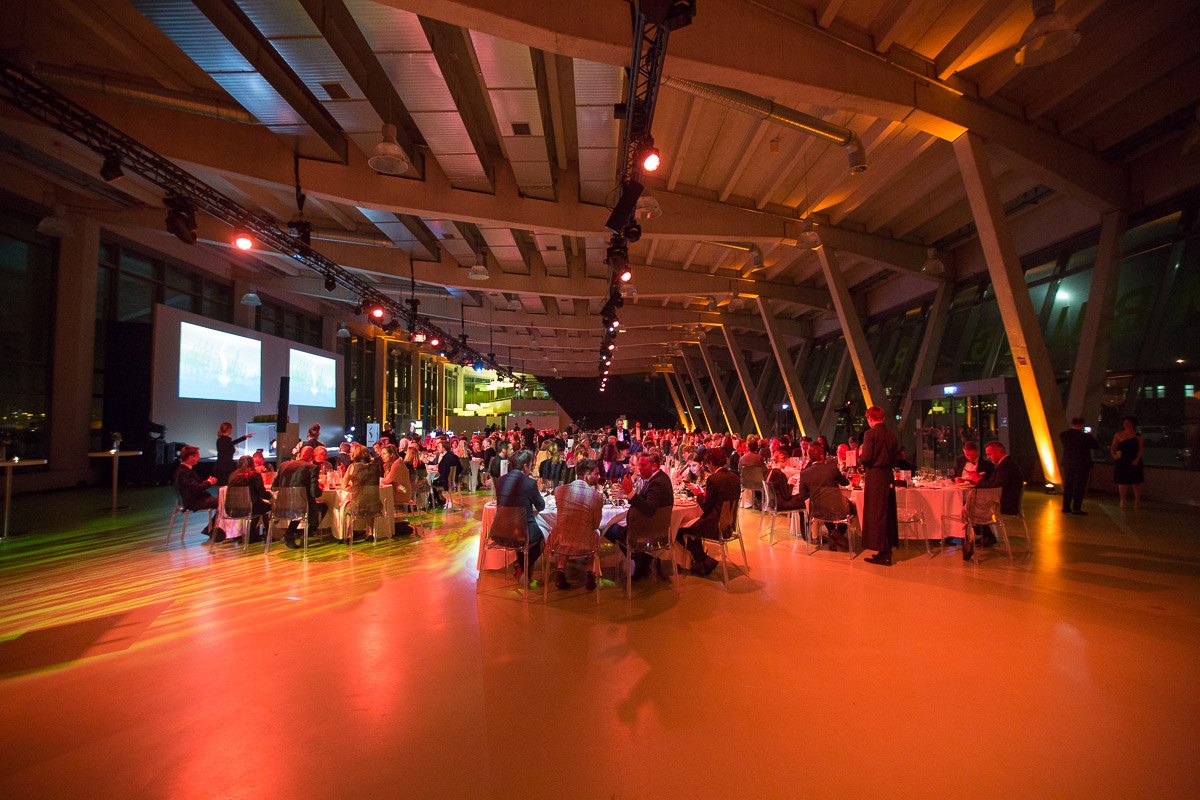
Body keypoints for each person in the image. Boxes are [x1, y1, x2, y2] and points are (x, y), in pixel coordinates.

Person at [605, 449, 674, 580]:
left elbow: (649, 509)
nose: (639, 469)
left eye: (643, 465)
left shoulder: (657, 483)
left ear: (654, 466)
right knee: (616, 525)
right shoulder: (658, 478)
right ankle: (643, 559)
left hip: (648, 532)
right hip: (652, 528)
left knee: (609, 528)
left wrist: (630, 492)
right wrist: (629, 494)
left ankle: (640, 558)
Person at [676, 447, 740, 576]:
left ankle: (703, 559)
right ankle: (701, 562)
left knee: (680, 530)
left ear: (710, 463)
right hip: (729, 525)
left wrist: (698, 493)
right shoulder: (735, 477)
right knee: (694, 526)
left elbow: (706, 506)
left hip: (715, 526)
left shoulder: (714, 479)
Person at [547, 458, 604, 591]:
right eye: (596, 473)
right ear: (587, 475)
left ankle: (560, 571)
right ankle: (590, 574)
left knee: (566, 530)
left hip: (560, 541)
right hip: (585, 542)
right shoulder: (596, 496)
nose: (599, 476)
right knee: (595, 532)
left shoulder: (559, 491)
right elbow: (596, 524)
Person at [493, 449, 545, 585]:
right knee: (541, 538)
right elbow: (541, 506)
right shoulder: (529, 483)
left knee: (523, 536)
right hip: (522, 532)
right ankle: (524, 569)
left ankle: (520, 567)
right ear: (525, 466)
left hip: (500, 530)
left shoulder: (500, 480)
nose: (532, 468)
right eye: (531, 465)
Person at [792, 442, 852, 551]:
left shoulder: (804, 473)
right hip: (835, 508)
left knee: (824, 507)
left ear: (810, 457)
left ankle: (833, 534)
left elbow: (802, 495)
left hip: (816, 510)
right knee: (852, 508)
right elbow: (845, 483)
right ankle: (837, 533)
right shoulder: (832, 469)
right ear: (822, 456)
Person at [859, 405, 899, 566]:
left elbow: (867, 458)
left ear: (870, 418)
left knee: (876, 514)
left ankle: (883, 551)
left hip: (875, 477)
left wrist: (861, 454)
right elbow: (895, 459)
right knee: (887, 513)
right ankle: (886, 551)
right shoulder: (891, 435)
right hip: (888, 476)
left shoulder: (870, 434)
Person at [275, 445, 325, 549]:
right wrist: (321, 489)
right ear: (312, 457)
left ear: (299, 454)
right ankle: (304, 534)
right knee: (323, 507)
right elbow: (314, 493)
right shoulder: (312, 468)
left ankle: (292, 533)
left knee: (301, 507)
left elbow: (274, 487)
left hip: (281, 504)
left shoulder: (283, 465)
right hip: (300, 506)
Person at [174, 445, 219, 538]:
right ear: (191, 457)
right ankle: (211, 530)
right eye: (197, 456)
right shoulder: (184, 472)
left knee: (222, 502)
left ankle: (211, 529)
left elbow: (194, 486)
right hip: (194, 501)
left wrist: (207, 482)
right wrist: (209, 482)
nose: (199, 458)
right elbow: (196, 489)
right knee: (224, 504)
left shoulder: (184, 469)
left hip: (195, 499)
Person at [341, 443, 383, 541]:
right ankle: (370, 532)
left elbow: (343, 485)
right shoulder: (376, 467)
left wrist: (353, 488)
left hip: (357, 504)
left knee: (346, 506)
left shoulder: (352, 467)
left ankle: (349, 534)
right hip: (375, 504)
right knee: (369, 503)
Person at [1060, 417, 1101, 515]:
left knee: (1068, 485)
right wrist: (1089, 435)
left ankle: (1066, 507)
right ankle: (1076, 508)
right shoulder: (1086, 437)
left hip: (1068, 462)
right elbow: (1095, 446)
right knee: (1079, 486)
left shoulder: (1064, 435)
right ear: (1082, 424)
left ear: (1072, 423)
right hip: (1082, 464)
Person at [226, 455, 270, 542]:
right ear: (252, 464)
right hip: (250, 507)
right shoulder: (255, 475)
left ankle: (251, 534)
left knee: (258, 507)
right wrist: (272, 495)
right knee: (267, 508)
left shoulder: (232, 476)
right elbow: (262, 494)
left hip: (232, 508)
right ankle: (268, 535)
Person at [1110, 416, 1144, 508]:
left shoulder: (1138, 435)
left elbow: (1140, 449)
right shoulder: (1118, 434)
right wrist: (1114, 455)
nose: (1126, 424)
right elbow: (1113, 446)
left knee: (1136, 482)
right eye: (1124, 423)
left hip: (1134, 460)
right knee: (1122, 481)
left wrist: (1137, 459)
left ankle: (1137, 501)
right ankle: (1122, 500)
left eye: (1128, 422)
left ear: (1132, 423)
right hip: (1122, 460)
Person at [431, 438, 462, 509]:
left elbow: (444, 472)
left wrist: (444, 477)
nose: (437, 448)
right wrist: (454, 476)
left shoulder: (446, 458)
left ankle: (438, 501)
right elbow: (460, 468)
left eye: (439, 447)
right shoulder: (454, 456)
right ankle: (442, 500)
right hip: (454, 480)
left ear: (444, 448)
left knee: (430, 482)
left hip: (446, 482)